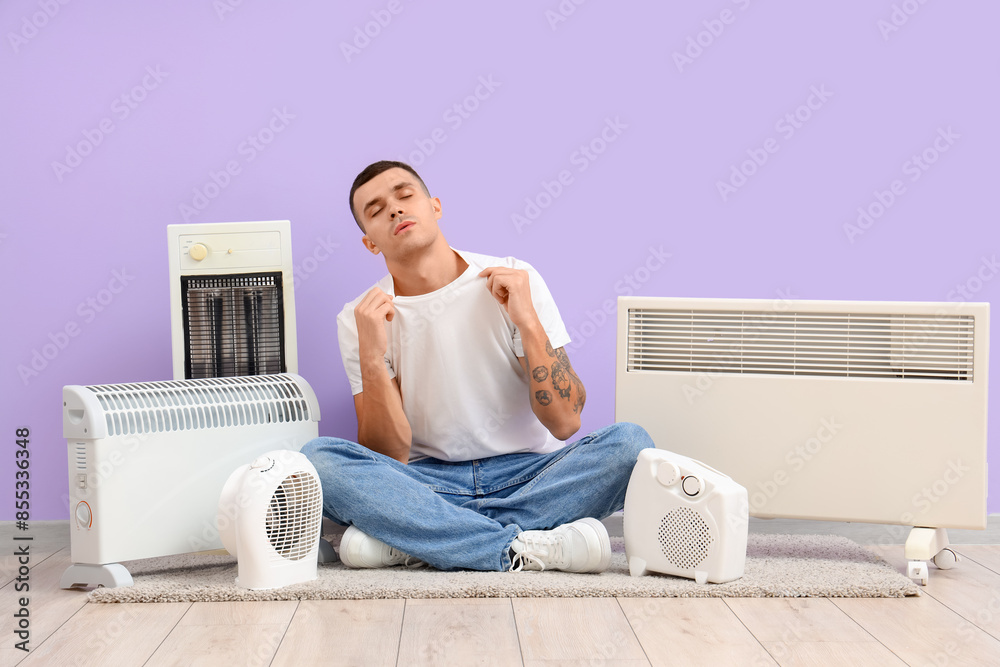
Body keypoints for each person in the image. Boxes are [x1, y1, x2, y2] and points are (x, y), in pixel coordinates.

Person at [301, 160, 654, 573]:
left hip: (531, 474)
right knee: (319, 460)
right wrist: (372, 357)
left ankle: (426, 541)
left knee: (631, 445)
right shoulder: (359, 318)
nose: (395, 210)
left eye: (404, 194)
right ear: (370, 243)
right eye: (376, 210)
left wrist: (527, 320)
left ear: (435, 206)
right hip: (429, 484)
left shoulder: (513, 278)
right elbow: (389, 455)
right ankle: (522, 548)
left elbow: (566, 422)